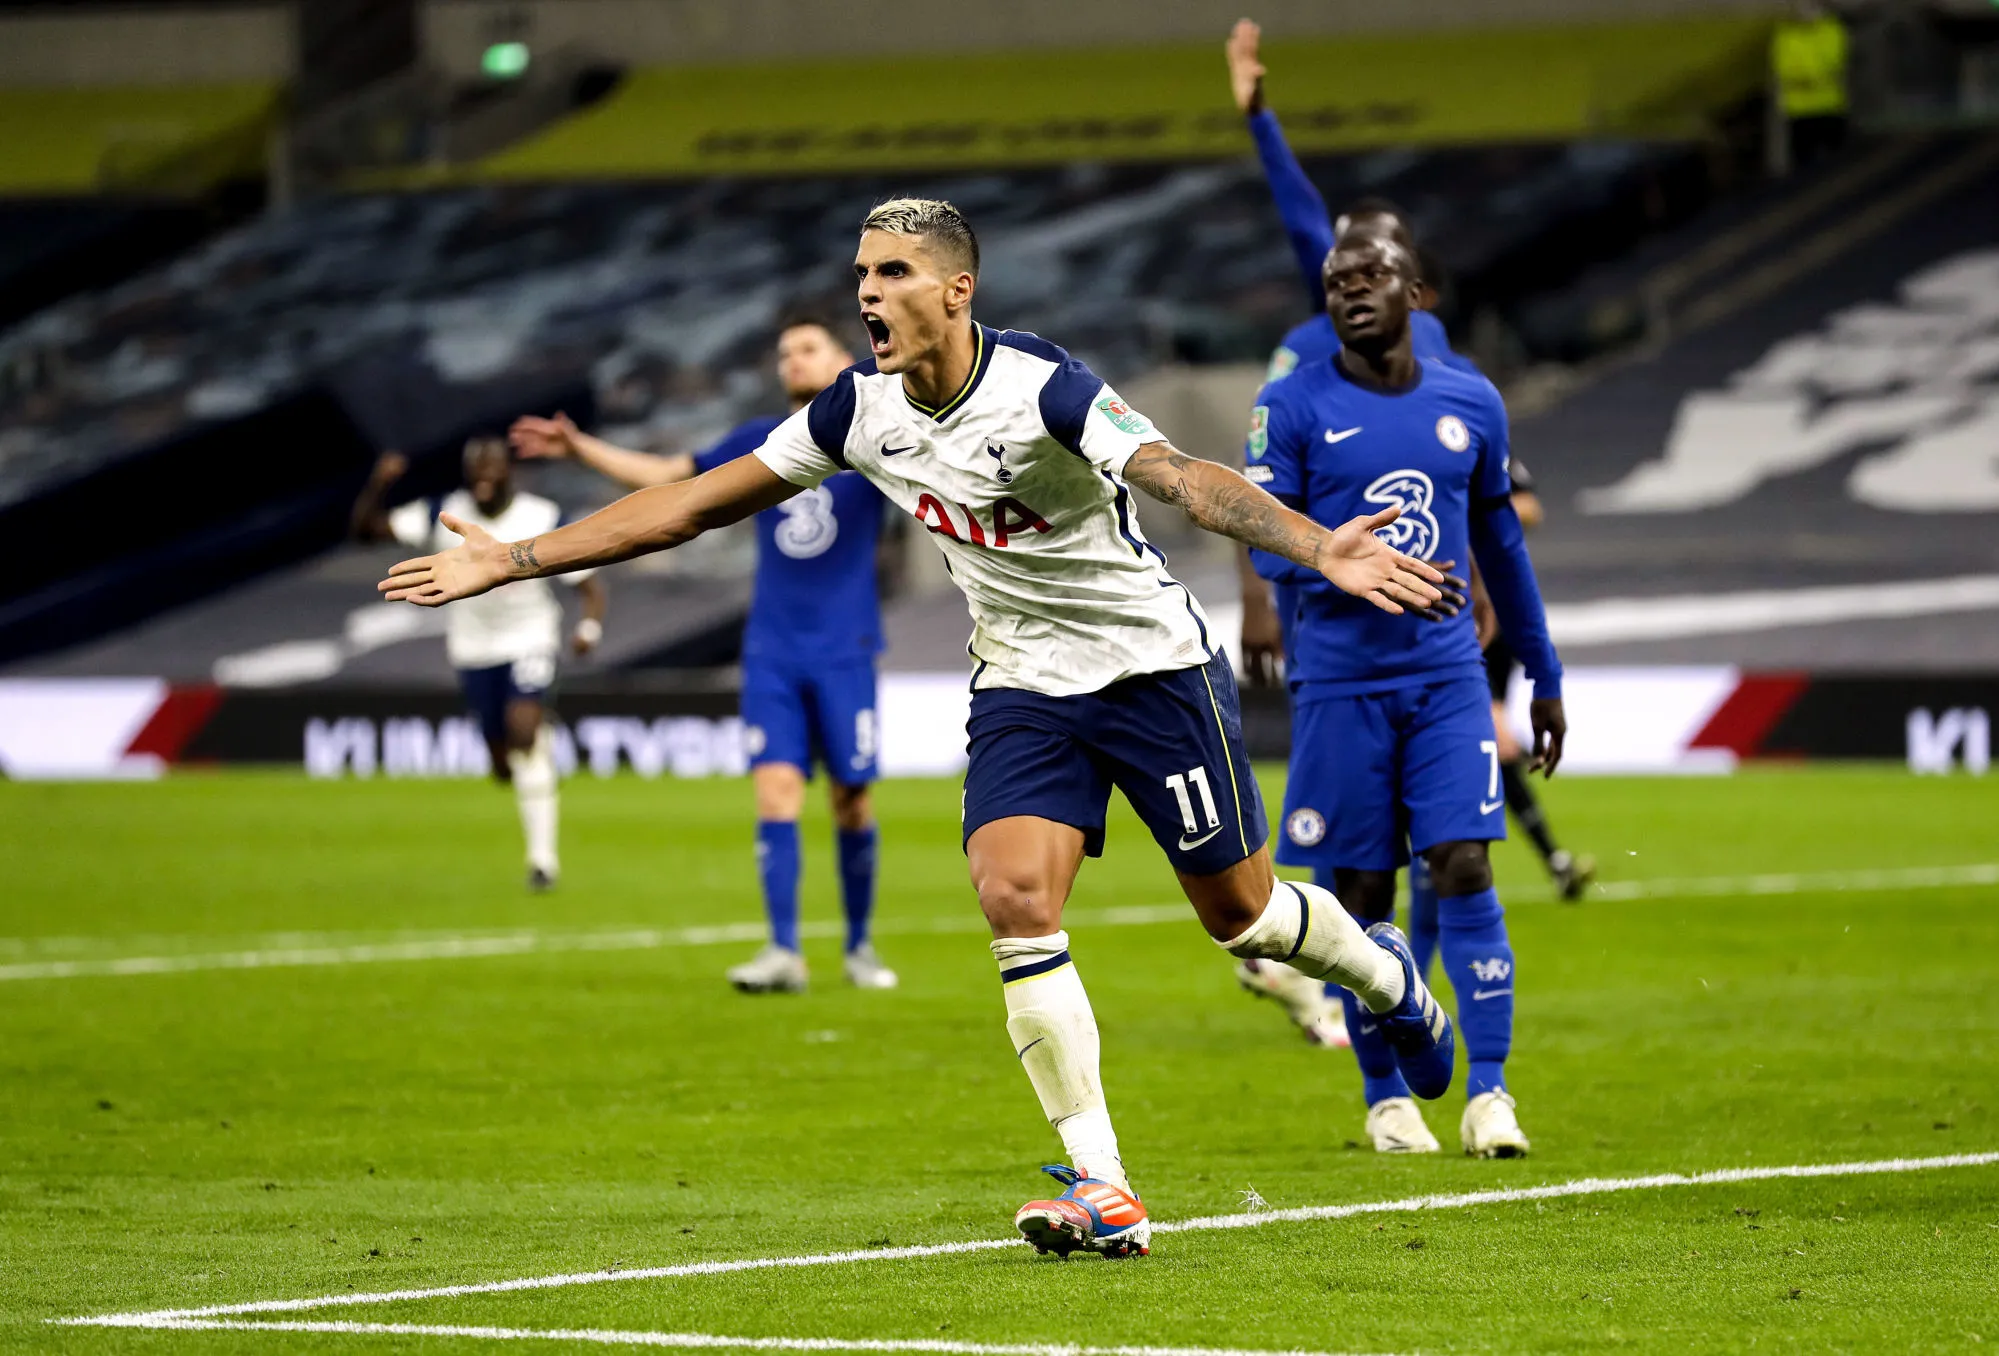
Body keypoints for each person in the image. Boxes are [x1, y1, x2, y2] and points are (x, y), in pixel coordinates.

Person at [380, 197, 1462, 1260]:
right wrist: (512, 558)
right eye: (859, 276)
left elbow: (1178, 475)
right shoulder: (857, 412)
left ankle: (1384, 977)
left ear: (957, 289)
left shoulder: (1044, 386)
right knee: (1012, 898)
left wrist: (1317, 547)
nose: (867, 293)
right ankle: (1106, 1184)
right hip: (1023, 685)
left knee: (1244, 918)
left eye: (891, 274)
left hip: (1150, 670)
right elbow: (694, 503)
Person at [1246, 230, 1566, 1160]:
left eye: (1370, 276)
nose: (1350, 291)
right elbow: (1267, 542)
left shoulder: (1471, 400)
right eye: (1335, 281)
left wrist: (1542, 673)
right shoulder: (1289, 406)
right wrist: (1333, 553)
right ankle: (1387, 1097)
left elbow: (1501, 547)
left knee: (1464, 864)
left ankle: (1491, 1094)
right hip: (1340, 682)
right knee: (1358, 893)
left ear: (1413, 292)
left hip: (1446, 676)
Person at [510, 316, 900, 994]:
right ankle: (783, 952)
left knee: (851, 801)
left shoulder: (874, 435)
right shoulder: (759, 440)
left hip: (846, 648)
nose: (792, 360)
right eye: (783, 352)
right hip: (772, 650)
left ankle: (859, 946)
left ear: (842, 358)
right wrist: (580, 449)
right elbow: (670, 477)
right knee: (775, 793)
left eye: (807, 348)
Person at [1225, 19, 1480, 1050]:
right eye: (1335, 258)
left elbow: (1475, 496)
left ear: (1405, 277)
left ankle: (1385, 985)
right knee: (1353, 830)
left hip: (1433, 618)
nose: (1346, 268)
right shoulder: (1300, 361)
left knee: (1445, 834)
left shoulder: (1442, 363)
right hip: (1326, 616)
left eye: (1368, 257)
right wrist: (1259, 595)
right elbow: (1256, 497)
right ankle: (1327, 969)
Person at [352, 437, 606, 891]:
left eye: (492, 466)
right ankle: (530, 758)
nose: (483, 476)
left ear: (510, 471)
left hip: (530, 638)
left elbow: (587, 584)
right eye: (475, 468)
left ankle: (542, 862)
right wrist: (379, 483)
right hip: (473, 649)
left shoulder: (541, 517)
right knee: (502, 763)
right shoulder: (443, 515)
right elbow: (366, 530)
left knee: (524, 732)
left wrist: (588, 628)